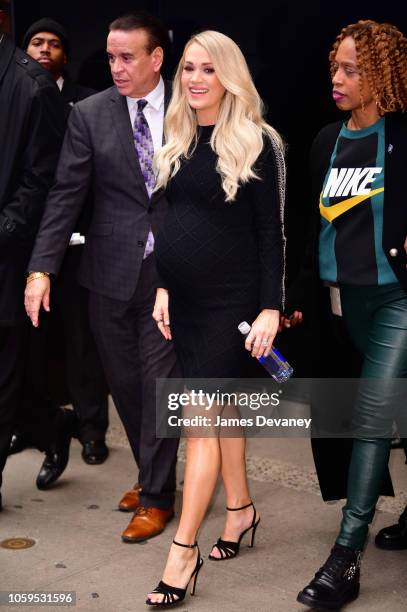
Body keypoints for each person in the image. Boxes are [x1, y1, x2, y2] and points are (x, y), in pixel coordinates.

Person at [24, 11, 179, 541]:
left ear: (156, 58)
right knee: (127, 389)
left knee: (160, 386)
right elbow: (65, 194)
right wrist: (41, 268)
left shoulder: (193, 104)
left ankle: (157, 497)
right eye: (111, 57)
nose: (115, 66)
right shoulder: (89, 114)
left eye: (127, 57)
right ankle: (152, 474)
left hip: (172, 275)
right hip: (109, 272)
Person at [145, 30, 286, 607]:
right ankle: (240, 511)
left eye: (208, 68)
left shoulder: (258, 139)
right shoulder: (176, 135)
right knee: (223, 413)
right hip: (185, 300)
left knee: (200, 424)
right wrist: (161, 287)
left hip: (234, 303)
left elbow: (270, 233)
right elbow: (166, 219)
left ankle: (182, 554)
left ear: (229, 75)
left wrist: (271, 307)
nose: (195, 79)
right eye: (187, 68)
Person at [296, 20, 407, 610]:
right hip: (344, 305)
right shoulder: (325, 142)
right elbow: (310, 226)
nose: (337, 79)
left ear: (381, 74)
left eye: (352, 69)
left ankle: (346, 555)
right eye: (334, 67)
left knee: (371, 415)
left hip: (397, 301)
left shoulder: (402, 137)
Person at [10, 18, 110, 469]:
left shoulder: (84, 101)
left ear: (66, 55)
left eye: (54, 43)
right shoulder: (16, 95)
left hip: (80, 242)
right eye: (36, 41)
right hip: (31, 247)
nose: (44, 49)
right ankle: (37, 424)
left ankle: (91, 429)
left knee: (81, 341)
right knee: (28, 348)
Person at [0, 11, 64, 509]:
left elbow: (42, 180)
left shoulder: (34, 87)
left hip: (8, 253)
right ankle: (49, 422)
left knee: (5, 369)